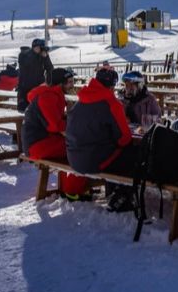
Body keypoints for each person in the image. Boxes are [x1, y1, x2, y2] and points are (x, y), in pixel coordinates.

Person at [67, 68, 138, 212]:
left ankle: (114, 190)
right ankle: (122, 195)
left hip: (73, 159)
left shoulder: (81, 101)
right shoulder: (111, 103)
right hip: (93, 161)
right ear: (112, 86)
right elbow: (124, 139)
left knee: (112, 150)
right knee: (133, 153)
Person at [22, 68, 88, 200]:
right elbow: (55, 126)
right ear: (59, 83)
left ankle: (69, 187)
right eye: (69, 82)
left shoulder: (53, 94)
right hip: (37, 145)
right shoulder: (47, 97)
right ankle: (73, 190)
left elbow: (56, 121)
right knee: (82, 149)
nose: (72, 85)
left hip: (42, 141)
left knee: (75, 145)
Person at [17, 38, 53, 112]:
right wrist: (36, 54)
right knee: (23, 110)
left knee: (39, 110)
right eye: (39, 48)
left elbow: (50, 68)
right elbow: (27, 64)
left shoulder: (42, 56)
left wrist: (46, 58)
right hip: (25, 89)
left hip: (38, 87)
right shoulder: (24, 55)